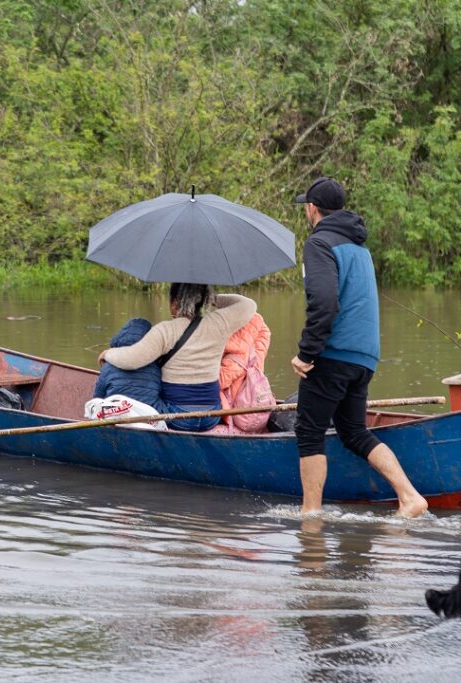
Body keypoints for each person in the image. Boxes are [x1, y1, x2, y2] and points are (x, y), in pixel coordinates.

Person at [290, 176, 427, 517]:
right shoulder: (360, 247)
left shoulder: (319, 243)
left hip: (333, 354)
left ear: (312, 209)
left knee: (309, 430)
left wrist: (307, 353)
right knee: (353, 431)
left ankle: (311, 517)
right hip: (364, 357)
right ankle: (410, 496)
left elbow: (324, 302)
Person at [99, 283, 256, 431]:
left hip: (177, 417)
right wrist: (208, 297)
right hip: (212, 414)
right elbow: (248, 305)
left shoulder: (166, 331)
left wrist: (108, 354)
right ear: (203, 301)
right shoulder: (219, 323)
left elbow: (131, 360)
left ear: (174, 303)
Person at [92, 317, 167, 413]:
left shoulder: (108, 367)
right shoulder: (156, 369)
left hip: (115, 414)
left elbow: (97, 397)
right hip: (147, 416)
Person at [217, 312, 273, 432]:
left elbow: (218, 382)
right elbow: (264, 332)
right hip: (254, 405)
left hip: (236, 412)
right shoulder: (257, 350)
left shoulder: (233, 358)